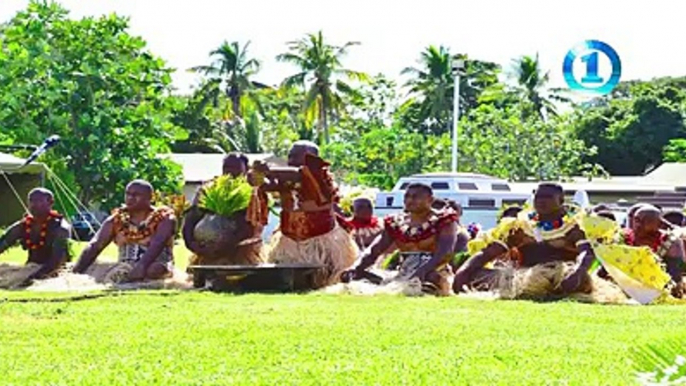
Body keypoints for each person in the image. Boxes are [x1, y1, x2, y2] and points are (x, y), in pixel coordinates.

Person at [453, 183, 597, 298]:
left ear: (561, 200)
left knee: (580, 281)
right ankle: (532, 290)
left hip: (561, 279)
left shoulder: (574, 228)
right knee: (476, 275)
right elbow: (489, 252)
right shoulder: (520, 227)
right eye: (538, 196)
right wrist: (464, 271)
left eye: (547, 197)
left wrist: (578, 271)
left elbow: (587, 253)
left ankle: (553, 290)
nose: (541, 200)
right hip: (522, 277)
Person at [248, 140, 358, 288]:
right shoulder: (285, 177)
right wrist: (255, 177)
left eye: (297, 156)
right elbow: (268, 186)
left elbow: (300, 174)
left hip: (322, 240)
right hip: (290, 239)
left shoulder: (321, 175)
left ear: (313, 158)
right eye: (290, 156)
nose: (292, 160)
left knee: (327, 278)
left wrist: (268, 169)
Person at [341, 183, 459, 295]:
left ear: (430, 200)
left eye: (415, 197)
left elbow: (446, 253)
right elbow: (375, 250)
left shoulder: (444, 221)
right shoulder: (395, 222)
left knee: (431, 279)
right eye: (407, 196)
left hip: (435, 273)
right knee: (357, 276)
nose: (410, 200)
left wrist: (423, 271)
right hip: (402, 275)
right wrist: (355, 268)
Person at [73, 180, 176, 282]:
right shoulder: (116, 220)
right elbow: (95, 245)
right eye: (128, 194)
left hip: (157, 265)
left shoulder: (164, 218)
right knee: (96, 270)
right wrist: (76, 272)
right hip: (123, 267)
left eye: (136, 195)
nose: (130, 198)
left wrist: (141, 266)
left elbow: (158, 243)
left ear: (150, 197)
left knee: (154, 270)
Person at [182, 152, 261, 264]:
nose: (230, 171)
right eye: (226, 167)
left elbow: (252, 227)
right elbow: (192, 217)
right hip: (205, 248)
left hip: (240, 250)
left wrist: (225, 245)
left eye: (235, 168)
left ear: (246, 169)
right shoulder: (209, 188)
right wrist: (191, 243)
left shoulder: (251, 192)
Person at [0, 188, 71, 286]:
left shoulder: (60, 228)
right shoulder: (23, 225)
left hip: (57, 274)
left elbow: (56, 261)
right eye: (31, 200)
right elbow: (3, 243)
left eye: (39, 201)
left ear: (51, 202)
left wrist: (31, 279)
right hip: (30, 269)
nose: (34, 204)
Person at [616, 206, 685, 298]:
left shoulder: (670, 241)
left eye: (645, 220)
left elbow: (675, 274)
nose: (638, 224)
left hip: (659, 287)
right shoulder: (622, 238)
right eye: (637, 220)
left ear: (659, 223)